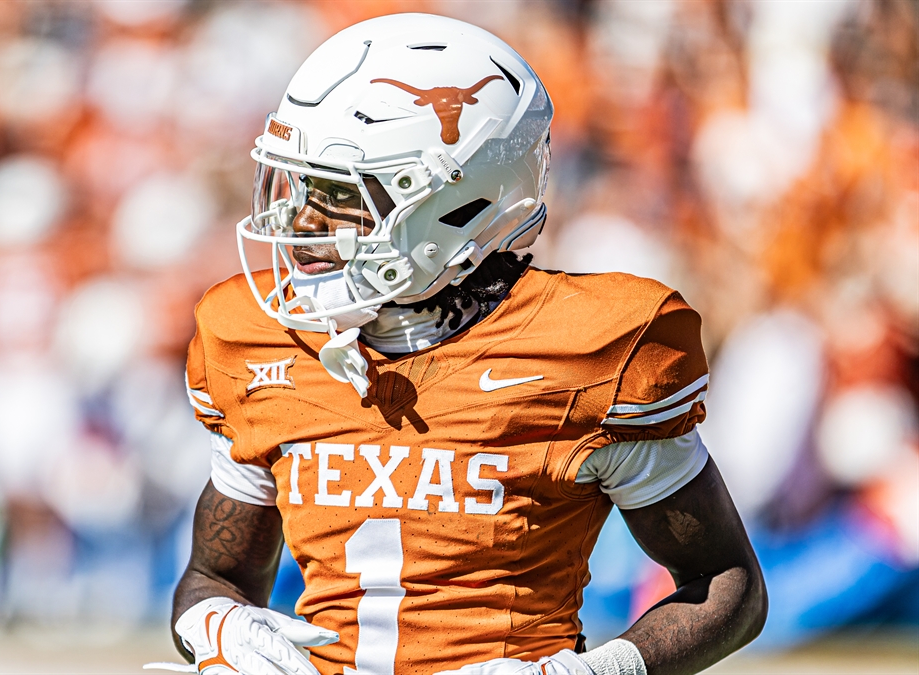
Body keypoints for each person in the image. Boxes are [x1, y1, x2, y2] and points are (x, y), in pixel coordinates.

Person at [166, 14, 766, 675]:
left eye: (338, 195)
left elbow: (727, 585)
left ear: (456, 203)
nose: (300, 222)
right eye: (300, 186)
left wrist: (582, 673)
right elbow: (214, 574)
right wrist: (216, 626)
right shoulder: (256, 338)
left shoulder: (589, 347)